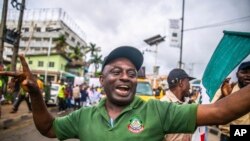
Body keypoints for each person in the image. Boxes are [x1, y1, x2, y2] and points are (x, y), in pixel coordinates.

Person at [0, 46, 250, 141]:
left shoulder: (158, 109)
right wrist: (35, 94)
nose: (125, 76)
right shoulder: (83, 117)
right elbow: (48, 129)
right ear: (102, 80)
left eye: (132, 72)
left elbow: (220, 111)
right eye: (116, 71)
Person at [211, 61, 250, 141]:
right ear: (237, 74)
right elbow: (212, 113)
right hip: (228, 136)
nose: (248, 75)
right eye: (244, 72)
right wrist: (224, 96)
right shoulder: (227, 89)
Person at [160, 68, 195, 141]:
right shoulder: (163, 105)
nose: (189, 86)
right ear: (181, 83)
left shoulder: (189, 103)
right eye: (188, 82)